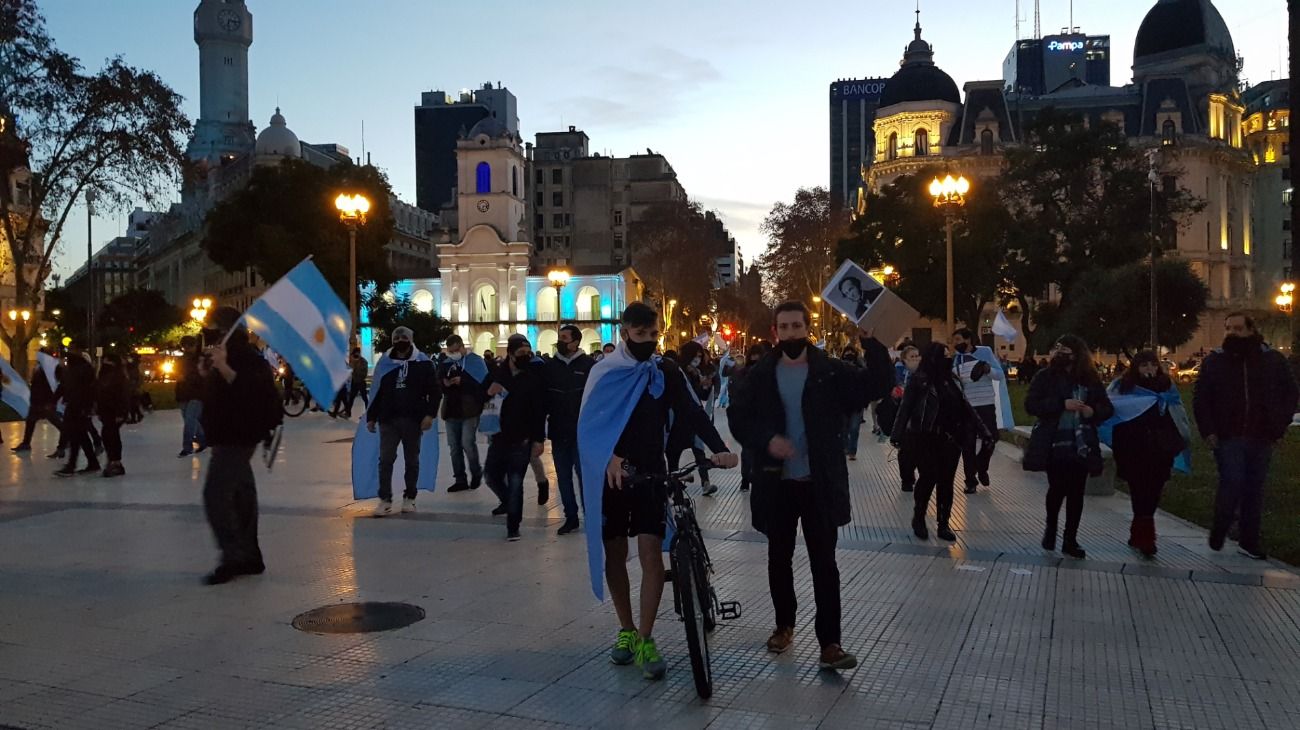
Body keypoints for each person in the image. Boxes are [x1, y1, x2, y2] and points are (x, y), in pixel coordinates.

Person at [727, 301, 892, 671]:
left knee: (824, 564)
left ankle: (830, 643)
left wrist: (873, 343)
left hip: (819, 482)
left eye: (796, 326)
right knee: (778, 559)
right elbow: (739, 418)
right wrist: (767, 440)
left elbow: (877, 384)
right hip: (776, 484)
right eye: (783, 327)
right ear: (775, 332)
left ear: (807, 327)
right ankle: (784, 625)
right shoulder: (759, 375)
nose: (790, 333)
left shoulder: (828, 372)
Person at [578, 303, 736, 681]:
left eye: (653, 335)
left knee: (651, 555)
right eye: (640, 334)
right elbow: (586, 426)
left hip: (652, 472)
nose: (648, 342)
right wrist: (609, 458)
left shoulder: (664, 372)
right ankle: (626, 630)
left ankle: (647, 637)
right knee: (614, 554)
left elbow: (692, 411)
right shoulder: (604, 372)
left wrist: (719, 448)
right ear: (624, 332)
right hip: (614, 477)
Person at [1193, 313, 1299, 560]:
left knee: (1254, 489)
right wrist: (1208, 430)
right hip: (1229, 436)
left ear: (1251, 330)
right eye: (1228, 328)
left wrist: (1279, 425)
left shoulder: (1272, 360)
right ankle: (1221, 525)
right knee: (1232, 481)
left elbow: (1290, 393)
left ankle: (1249, 540)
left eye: (1238, 328)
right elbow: (1201, 399)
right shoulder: (1214, 362)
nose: (1232, 333)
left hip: (1262, 436)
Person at [197, 307, 282, 585]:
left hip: (240, 437)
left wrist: (223, 367)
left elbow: (254, 393)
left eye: (214, 330)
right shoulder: (223, 355)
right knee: (242, 496)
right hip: (224, 436)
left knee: (216, 494)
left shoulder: (248, 358)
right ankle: (250, 556)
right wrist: (206, 372)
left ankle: (233, 555)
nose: (210, 336)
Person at [1024, 335, 1114, 560]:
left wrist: (1092, 411)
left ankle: (1070, 538)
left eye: (1066, 350)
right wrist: (1060, 404)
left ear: (1077, 354)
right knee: (1056, 489)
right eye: (1058, 348)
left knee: (1076, 492)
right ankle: (1051, 529)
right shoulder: (1045, 376)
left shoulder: (1089, 378)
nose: (1060, 353)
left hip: (1082, 442)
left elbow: (1106, 407)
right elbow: (1031, 404)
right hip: (1055, 442)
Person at [892, 343, 992, 541]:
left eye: (950, 355)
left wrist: (984, 430)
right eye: (944, 355)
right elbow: (906, 408)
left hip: (950, 440)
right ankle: (919, 517)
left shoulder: (952, 380)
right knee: (928, 477)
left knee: (946, 481)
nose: (949, 359)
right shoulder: (919, 381)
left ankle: (943, 523)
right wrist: (897, 434)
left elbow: (966, 407)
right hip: (925, 437)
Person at [1104, 351, 1190, 558]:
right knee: (1139, 490)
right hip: (1132, 448)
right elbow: (1112, 407)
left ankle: (1140, 530)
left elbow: (1177, 412)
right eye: (1144, 365)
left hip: (1160, 449)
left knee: (1154, 491)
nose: (1149, 370)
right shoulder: (1122, 387)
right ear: (1136, 367)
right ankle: (1146, 536)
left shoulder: (1166, 387)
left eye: (1152, 365)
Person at [365, 327, 441, 517]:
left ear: (411, 340)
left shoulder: (423, 363)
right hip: (388, 419)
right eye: (397, 337)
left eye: (404, 337)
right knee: (385, 460)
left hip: (413, 419)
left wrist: (430, 415)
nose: (400, 340)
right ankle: (385, 499)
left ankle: (410, 497)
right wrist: (371, 416)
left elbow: (435, 391)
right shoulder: (385, 363)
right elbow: (377, 391)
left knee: (412, 460)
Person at [483, 334, 546, 541]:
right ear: (510, 354)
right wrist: (488, 392)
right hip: (499, 436)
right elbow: (479, 394)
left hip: (523, 438)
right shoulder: (497, 374)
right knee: (491, 476)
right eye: (521, 353)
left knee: (516, 481)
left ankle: (513, 524)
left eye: (528, 353)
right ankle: (507, 500)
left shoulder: (533, 377)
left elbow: (539, 411)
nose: (526, 357)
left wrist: (538, 439)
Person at [541, 325, 594, 535]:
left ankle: (591, 516)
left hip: (581, 433)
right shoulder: (550, 366)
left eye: (565, 338)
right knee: (563, 477)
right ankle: (570, 516)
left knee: (584, 476)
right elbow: (543, 398)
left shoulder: (589, 365)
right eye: (559, 337)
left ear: (575, 342)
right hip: (558, 431)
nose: (561, 341)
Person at [951, 328, 1004, 494]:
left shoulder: (985, 352)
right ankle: (970, 481)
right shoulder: (956, 360)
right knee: (968, 443)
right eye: (954, 341)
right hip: (968, 407)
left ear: (968, 340)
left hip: (986, 403)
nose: (955, 344)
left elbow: (1000, 375)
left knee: (992, 438)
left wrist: (988, 370)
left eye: (958, 339)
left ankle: (981, 467)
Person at [439, 335, 487, 493]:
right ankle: (460, 478)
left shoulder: (475, 361)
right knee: (454, 446)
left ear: (461, 347)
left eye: (455, 350)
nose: (453, 354)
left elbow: (483, 384)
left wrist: (464, 381)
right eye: (450, 351)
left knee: (467, 443)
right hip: (451, 409)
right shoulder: (446, 364)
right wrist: (445, 383)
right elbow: (439, 383)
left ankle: (476, 472)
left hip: (469, 409)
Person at [670, 340, 717, 495]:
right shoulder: (677, 372)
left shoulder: (696, 373)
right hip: (677, 421)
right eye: (695, 356)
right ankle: (674, 485)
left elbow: (700, 396)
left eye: (699, 356)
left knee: (699, 451)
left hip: (693, 421)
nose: (697, 359)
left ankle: (705, 482)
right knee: (673, 455)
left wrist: (706, 386)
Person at [53, 346, 100, 477]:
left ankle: (72, 465)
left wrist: (86, 407)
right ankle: (91, 462)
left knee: (76, 435)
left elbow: (85, 389)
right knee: (80, 436)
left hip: (77, 407)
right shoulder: (76, 370)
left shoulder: (77, 371)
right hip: (76, 406)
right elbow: (65, 386)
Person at [729, 342, 770, 492]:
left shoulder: (767, 373)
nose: (755, 359)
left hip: (762, 418)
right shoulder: (745, 374)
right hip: (750, 419)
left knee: (756, 451)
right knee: (748, 450)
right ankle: (747, 478)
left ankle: (752, 477)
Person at [12, 348, 62, 453]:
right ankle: (26, 443)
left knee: (54, 420)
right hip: (36, 400)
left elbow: (54, 385)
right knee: (31, 421)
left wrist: (51, 400)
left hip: (45, 400)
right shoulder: (38, 368)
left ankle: (68, 438)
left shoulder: (50, 368)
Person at [95, 353, 132, 478]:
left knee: (111, 435)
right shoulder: (105, 375)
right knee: (108, 435)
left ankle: (115, 461)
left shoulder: (118, 377)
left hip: (114, 411)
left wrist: (121, 412)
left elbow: (122, 395)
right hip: (106, 411)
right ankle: (113, 460)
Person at [891, 345, 922, 491]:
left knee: (922, 450)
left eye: (917, 356)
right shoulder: (898, 372)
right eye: (912, 357)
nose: (915, 359)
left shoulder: (924, 374)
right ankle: (907, 479)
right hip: (904, 420)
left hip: (921, 419)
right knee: (905, 453)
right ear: (904, 360)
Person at [176, 336, 207, 457]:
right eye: (185, 346)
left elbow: (202, 375)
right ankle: (203, 439)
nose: (187, 349)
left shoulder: (200, 358)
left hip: (197, 393)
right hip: (184, 392)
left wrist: (186, 377)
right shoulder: (182, 359)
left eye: (190, 346)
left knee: (190, 419)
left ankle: (187, 447)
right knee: (190, 419)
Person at [839, 347, 866, 460]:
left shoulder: (861, 370)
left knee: (854, 429)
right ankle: (845, 447)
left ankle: (852, 451)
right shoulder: (839, 369)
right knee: (844, 428)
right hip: (842, 405)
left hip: (857, 404)